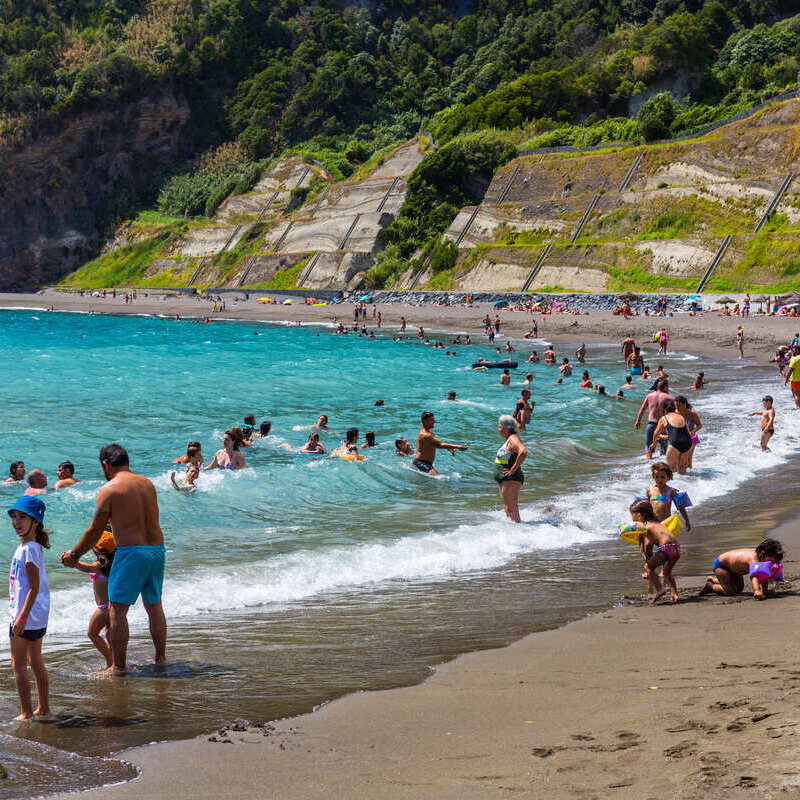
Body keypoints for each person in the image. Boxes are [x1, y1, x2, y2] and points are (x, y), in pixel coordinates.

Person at [60, 444, 167, 675]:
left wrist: (74, 555)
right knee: (154, 606)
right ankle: (160, 658)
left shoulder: (109, 489)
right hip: (157, 550)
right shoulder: (147, 484)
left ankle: (118, 667)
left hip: (131, 553)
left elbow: (94, 531)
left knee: (116, 611)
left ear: (105, 465)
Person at [7, 496, 52, 720]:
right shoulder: (30, 546)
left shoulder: (28, 549)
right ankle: (43, 708)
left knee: (18, 664)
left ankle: (26, 713)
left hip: (26, 616)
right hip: (37, 615)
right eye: (14, 517)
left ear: (35, 521)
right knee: (35, 660)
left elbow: (33, 587)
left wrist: (21, 617)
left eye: (22, 517)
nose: (16, 521)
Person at [66, 529, 115, 666]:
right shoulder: (114, 565)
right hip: (113, 607)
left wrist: (72, 561)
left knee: (92, 634)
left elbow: (87, 568)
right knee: (110, 635)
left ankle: (109, 659)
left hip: (103, 608)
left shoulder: (100, 565)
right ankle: (115, 659)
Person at [626, 499, 679, 604]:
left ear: (639, 515)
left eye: (632, 515)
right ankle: (674, 594)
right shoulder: (657, 523)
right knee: (667, 573)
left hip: (666, 549)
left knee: (648, 568)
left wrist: (647, 560)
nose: (631, 518)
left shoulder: (644, 526)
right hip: (676, 548)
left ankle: (660, 590)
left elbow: (647, 546)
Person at [699, 539, 783, 600]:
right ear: (762, 553)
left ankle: (715, 580)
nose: (773, 564)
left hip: (734, 569)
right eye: (772, 562)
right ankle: (710, 586)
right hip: (722, 566)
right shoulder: (753, 559)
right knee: (730, 592)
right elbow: (755, 576)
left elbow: (763, 575)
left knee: (739, 589)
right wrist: (757, 590)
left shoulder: (762, 557)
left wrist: (765, 590)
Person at [494, 415, 527, 523]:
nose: (498, 429)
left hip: (511, 479)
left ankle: (520, 531)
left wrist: (513, 469)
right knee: (508, 508)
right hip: (506, 479)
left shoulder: (513, 438)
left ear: (507, 428)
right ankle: (515, 530)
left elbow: (523, 452)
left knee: (511, 508)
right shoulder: (509, 439)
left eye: (499, 426)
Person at [649, 400, 692, 474]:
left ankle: (673, 484)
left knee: (670, 471)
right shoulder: (681, 417)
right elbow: (687, 433)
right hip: (687, 442)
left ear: (665, 410)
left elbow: (656, 433)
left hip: (674, 444)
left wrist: (654, 444)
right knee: (682, 471)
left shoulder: (664, 418)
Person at [634, 379, 674, 458]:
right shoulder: (669, 398)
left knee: (648, 446)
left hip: (651, 424)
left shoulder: (649, 396)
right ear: (665, 387)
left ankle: (648, 464)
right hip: (663, 425)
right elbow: (676, 413)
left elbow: (642, 409)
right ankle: (663, 464)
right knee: (664, 448)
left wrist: (638, 421)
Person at [675, 395, 702, 468]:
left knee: (687, 458)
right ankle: (683, 476)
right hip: (679, 438)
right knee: (678, 459)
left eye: (679, 405)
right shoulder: (675, 413)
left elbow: (699, 425)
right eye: (676, 406)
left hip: (692, 438)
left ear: (684, 404)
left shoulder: (692, 414)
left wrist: (693, 431)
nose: (677, 408)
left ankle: (689, 476)